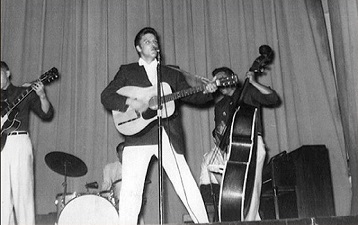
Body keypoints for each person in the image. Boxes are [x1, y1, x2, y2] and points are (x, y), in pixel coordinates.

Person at [101, 27, 217, 224]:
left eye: (155, 41)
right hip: (137, 137)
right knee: (131, 194)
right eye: (147, 41)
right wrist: (132, 103)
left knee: (186, 185)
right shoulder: (127, 71)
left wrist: (208, 91)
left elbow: (192, 95)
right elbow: (107, 96)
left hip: (167, 134)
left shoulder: (171, 72)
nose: (153, 44)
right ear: (138, 48)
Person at [199, 66, 280, 221]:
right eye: (215, 80)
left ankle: (250, 220)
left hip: (252, 144)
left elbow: (272, 98)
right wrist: (219, 135)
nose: (218, 82)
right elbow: (219, 135)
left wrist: (254, 82)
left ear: (232, 78)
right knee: (210, 164)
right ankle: (218, 212)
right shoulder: (219, 106)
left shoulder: (247, 92)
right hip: (231, 149)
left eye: (221, 78)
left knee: (251, 189)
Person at [1, 61, 54, 225]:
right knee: (1, 197)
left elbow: (46, 114)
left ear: (7, 73)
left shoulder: (23, 92)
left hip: (19, 142)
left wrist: (42, 95)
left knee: (23, 194)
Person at [101, 142, 125, 209]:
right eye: (122, 150)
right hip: (114, 203)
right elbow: (105, 189)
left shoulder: (135, 168)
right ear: (117, 154)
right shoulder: (109, 168)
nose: (125, 153)